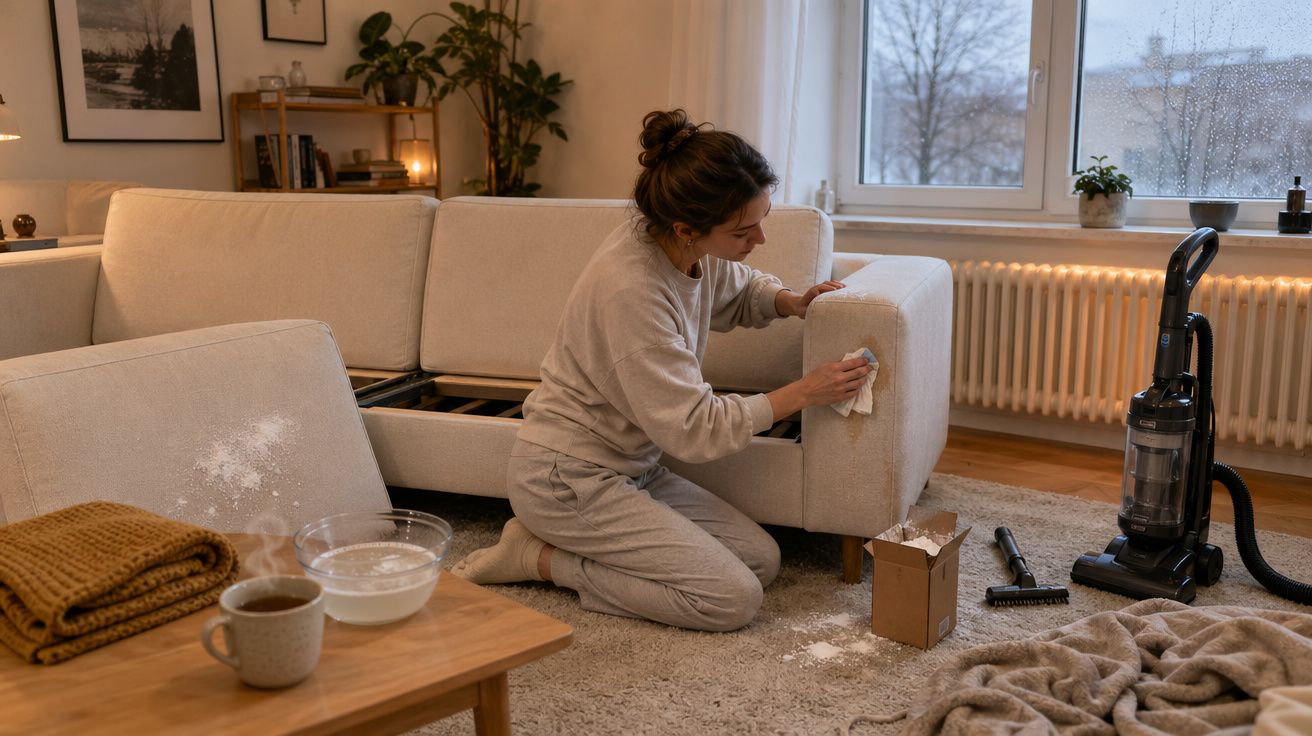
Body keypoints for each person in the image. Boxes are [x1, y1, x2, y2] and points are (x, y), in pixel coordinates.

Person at [451, 109, 873, 632]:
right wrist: (804, 392)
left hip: (633, 466)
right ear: (686, 228)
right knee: (730, 600)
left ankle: (550, 544)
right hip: (566, 478)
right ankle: (539, 558)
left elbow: (734, 286)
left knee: (761, 562)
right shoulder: (633, 291)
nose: (759, 239)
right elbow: (695, 428)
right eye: (745, 230)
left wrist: (790, 300)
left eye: (761, 220)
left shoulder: (687, 248)